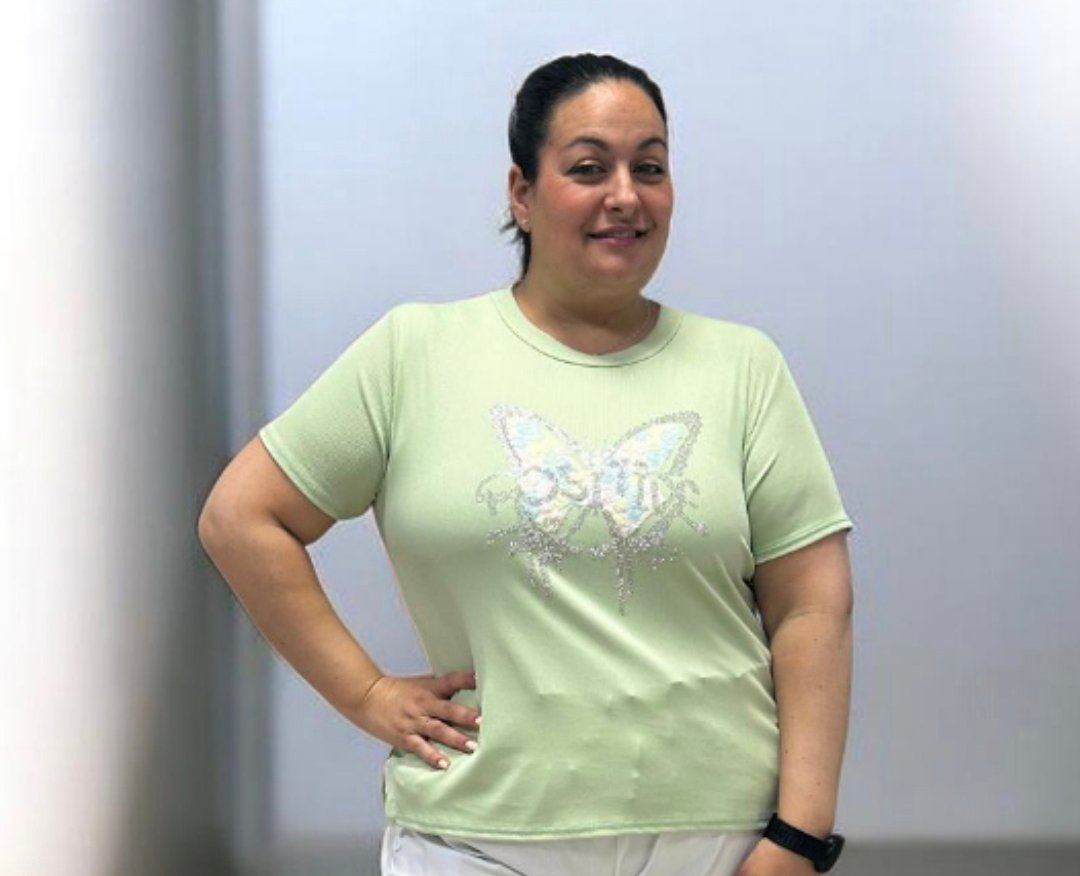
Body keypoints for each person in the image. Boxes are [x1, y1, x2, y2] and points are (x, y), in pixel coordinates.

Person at [198, 52, 855, 876]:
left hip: (714, 841)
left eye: (650, 167)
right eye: (589, 167)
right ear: (521, 193)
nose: (626, 194)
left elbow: (812, 608)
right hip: (476, 841)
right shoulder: (416, 353)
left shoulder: (742, 368)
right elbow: (240, 518)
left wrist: (799, 838)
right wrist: (365, 693)